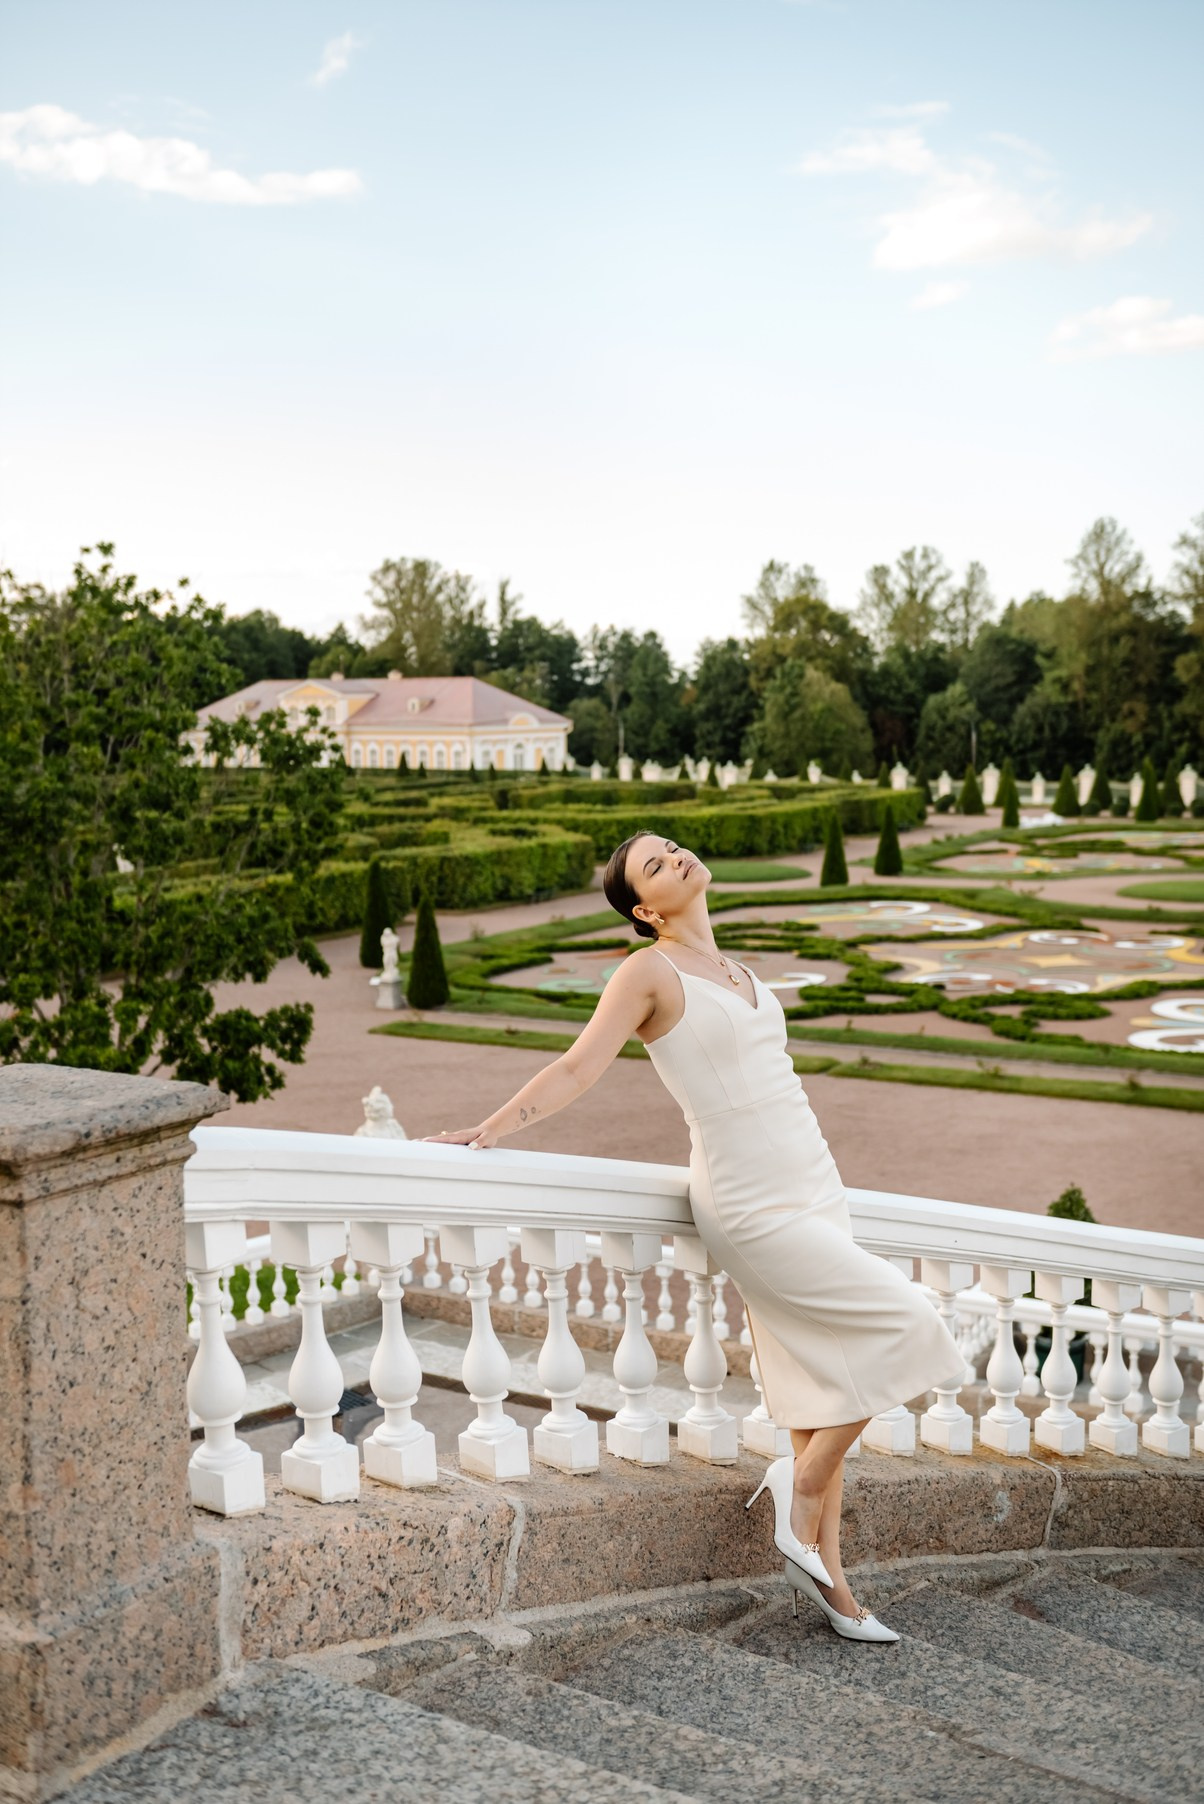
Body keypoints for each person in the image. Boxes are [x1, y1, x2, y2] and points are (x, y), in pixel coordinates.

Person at [423, 829, 965, 1642]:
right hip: (748, 1200)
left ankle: (835, 1589)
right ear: (645, 910)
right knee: (913, 1324)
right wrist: (491, 1128)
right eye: (655, 864)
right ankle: (798, 1486)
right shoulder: (647, 972)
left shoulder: (737, 969)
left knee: (824, 1392)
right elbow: (578, 1066)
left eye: (671, 847)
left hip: (815, 1183)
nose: (675, 857)